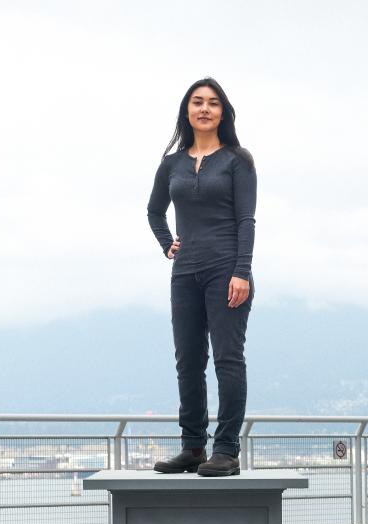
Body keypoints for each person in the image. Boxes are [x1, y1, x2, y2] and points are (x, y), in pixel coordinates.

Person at [147, 77, 256, 477]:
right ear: (187, 111)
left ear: (222, 112)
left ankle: (225, 450)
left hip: (226, 271)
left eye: (213, 103)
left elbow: (246, 220)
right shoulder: (171, 164)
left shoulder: (237, 161)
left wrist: (241, 271)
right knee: (188, 362)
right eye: (197, 102)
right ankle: (193, 446)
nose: (205, 109)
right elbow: (154, 211)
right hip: (185, 273)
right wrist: (166, 243)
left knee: (228, 360)